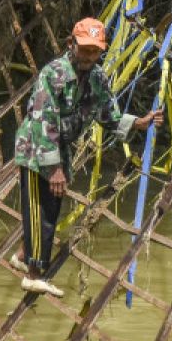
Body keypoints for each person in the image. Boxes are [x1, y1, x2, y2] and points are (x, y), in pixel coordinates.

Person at [10, 17, 161, 297]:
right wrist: (54, 169)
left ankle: (21, 256)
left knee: (52, 208)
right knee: (39, 209)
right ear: (71, 44)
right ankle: (32, 274)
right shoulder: (53, 73)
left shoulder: (97, 78)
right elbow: (44, 121)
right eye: (85, 49)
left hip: (60, 148)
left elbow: (107, 115)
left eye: (96, 51)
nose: (90, 56)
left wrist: (138, 122)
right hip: (36, 148)